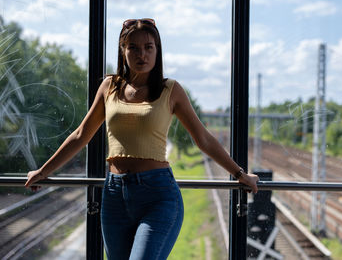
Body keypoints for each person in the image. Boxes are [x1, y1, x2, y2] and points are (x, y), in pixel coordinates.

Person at [25, 18, 260, 260]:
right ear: (122, 50)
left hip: (158, 195)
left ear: (158, 51)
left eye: (149, 47)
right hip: (114, 195)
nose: (142, 54)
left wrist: (240, 174)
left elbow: (203, 139)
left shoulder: (171, 90)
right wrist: (43, 171)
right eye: (133, 47)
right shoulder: (110, 87)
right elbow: (80, 135)